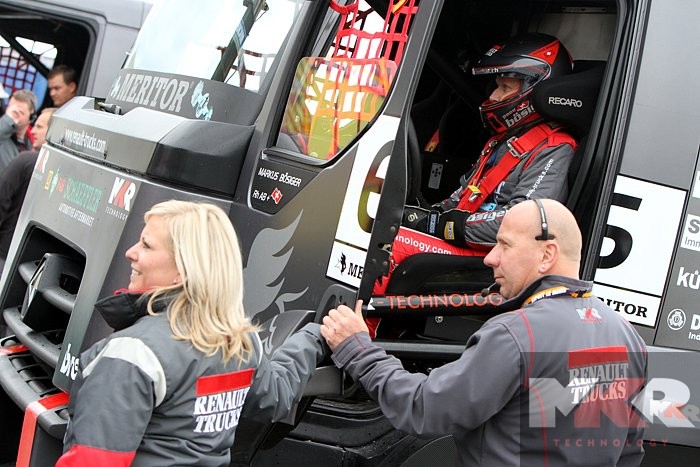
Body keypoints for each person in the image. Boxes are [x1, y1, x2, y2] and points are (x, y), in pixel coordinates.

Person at [322, 199, 648, 466]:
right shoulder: (628, 337)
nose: (491, 258)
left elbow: (426, 409)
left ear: (546, 255)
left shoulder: (516, 334)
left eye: (504, 245)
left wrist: (357, 350)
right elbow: (630, 451)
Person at [57, 200, 328, 466]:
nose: (130, 252)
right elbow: (276, 394)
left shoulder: (133, 354)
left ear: (183, 271)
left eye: (146, 245)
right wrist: (316, 336)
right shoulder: (241, 343)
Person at [372, 34, 577, 305]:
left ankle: (356, 328)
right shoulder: (502, 141)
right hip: (466, 245)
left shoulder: (554, 149)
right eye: (497, 86)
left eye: (504, 87)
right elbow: (462, 198)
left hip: (494, 257)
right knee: (381, 228)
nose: (493, 96)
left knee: (387, 246)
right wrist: (428, 215)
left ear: (534, 88)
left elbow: (524, 228)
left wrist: (447, 226)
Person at [0, 107, 56, 262]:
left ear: (53, 131)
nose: (33, 131)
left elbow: (2, 197)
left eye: (39, 127)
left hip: (5, 254)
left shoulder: (26, 161)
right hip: (33, 262)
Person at [0, 89, 37, 173]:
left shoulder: (33, 142)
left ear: (31, 118)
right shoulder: (2, 132)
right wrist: (8, 120)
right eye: (11, 108)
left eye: (20, 112)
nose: (13, 114)